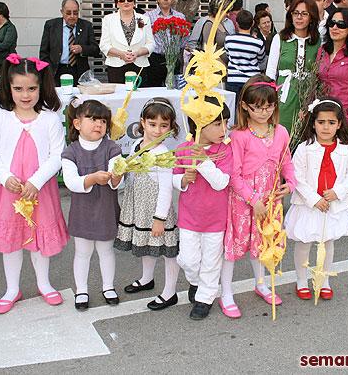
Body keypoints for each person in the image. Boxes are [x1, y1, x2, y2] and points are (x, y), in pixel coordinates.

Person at [0, 54, 69, 313]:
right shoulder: (0, 117)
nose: (25, 95)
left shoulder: (50, 118)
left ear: (42, 87)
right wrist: (5, 177)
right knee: (12, 240)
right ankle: (12, 289)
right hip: (9, 191)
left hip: (39, 190)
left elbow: (56, 154)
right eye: (18, 88)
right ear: (8, 88)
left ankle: (44, 283)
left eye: (32, 88)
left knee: (38, 238)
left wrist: (37, 181)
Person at [220, 75, 296, 318]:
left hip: (271, 198)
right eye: (257, 108)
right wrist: (254, 200)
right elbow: (234, 175)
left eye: (269, 107)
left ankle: (260, 283)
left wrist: (290, 184)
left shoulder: (281, 132)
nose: (264, 112)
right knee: (233, 247)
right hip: (244, 202)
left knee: (262, 243)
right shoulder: (239, 135)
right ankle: (226, 293)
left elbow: (287, 162)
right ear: (244, 106)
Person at [285, 97, 348, 301]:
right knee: (304, 243)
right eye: (321, 122)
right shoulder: (304, 148)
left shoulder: (346, 149)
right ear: (313, 123)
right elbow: (297, 176)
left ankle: (324, 280)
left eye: (331, 122)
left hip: (333, 206)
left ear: (339, 124)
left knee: (327, 243)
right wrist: (313, 199)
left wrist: (338, 192)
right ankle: (301, 280)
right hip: (309, 206)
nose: (326, 127)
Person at [114, 98, 180, 311]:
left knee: (168, 250)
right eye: (152, 124)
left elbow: (166, 188)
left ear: (171, 127)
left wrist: (159, 218)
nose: (157, 130)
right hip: (139, 205)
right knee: (147, 244)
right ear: (142, 123)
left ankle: (170, 292)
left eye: (164, 125)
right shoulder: (136, 145)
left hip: (156, 209)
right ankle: (146, 279)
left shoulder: (164, 155)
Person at [173, 97, 232, 320]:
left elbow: (222, 182)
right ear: (198, 125)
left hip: (216, 219)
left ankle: (205, 297)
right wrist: (184, 181)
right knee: (188, 259)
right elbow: (174, 179)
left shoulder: (224, 151)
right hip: (189, 217)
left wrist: (204, 161)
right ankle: (195, 281)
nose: (224, 129)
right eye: (217, 124)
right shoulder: (183, 150)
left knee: (211, 260)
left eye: (226, 122)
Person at [62, 98, 123, 311]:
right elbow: (71, 182)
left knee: (106, 250)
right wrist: (93, 178)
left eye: (103, 121)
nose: (99, 124)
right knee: (82, 251)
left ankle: (108, 287)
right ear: (77, 124)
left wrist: (116, 177)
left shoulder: (112, 148)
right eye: (93, 119)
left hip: (106, 209)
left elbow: (118, 181)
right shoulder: (71, 152)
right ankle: (82, 290)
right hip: (83, 211)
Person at [266, 0, 321, 131]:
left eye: (304, 14)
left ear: (311, 17)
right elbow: (271, 71)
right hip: (283, 96)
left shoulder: (319, 42)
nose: (299, 17)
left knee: (304, 135)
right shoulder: (280, 39)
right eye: (295, 13)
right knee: (281, 133)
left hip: (308, 97)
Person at [317, 8, 348, 140]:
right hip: (322, 118)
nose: (335, 27)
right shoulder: (322, 51)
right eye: (332, 23)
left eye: (341, 24)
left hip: (343, 118)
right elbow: (315, 84)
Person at [100, 0, 154, 85]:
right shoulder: (108, 19)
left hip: (139, 65)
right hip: (116, 66)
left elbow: (151, 44)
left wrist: (137, 53)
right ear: (117, 3)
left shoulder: (144, 19)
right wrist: (121, 54)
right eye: (122, 0)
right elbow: (104, 45)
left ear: (134, 2)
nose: (126, 2)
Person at [39, 0, 99, 85]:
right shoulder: (51, 25)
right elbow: (44, 52)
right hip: (57, 70)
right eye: (68, 13)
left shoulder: (86, 26)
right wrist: (47, 71)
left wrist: (82, 49)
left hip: (78, 71)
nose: (72, 16)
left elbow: (95, 49)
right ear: (62, 12)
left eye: (75, 13)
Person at [144, 0, 188, 87]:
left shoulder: (180, 16)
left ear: (173, 0)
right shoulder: (148, 16)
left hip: (174, 59)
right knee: (154, 90)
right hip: (155, 59)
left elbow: (185, 37)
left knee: (173, 88)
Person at [224, 10, 265, 102]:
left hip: (233, 79)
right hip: (252, 79)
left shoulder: (229, 39)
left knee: (233, 109)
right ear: (253, 23)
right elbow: (261, 59)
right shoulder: (258, 42)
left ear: (237, 24)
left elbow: (228, 55)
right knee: (250, 108)